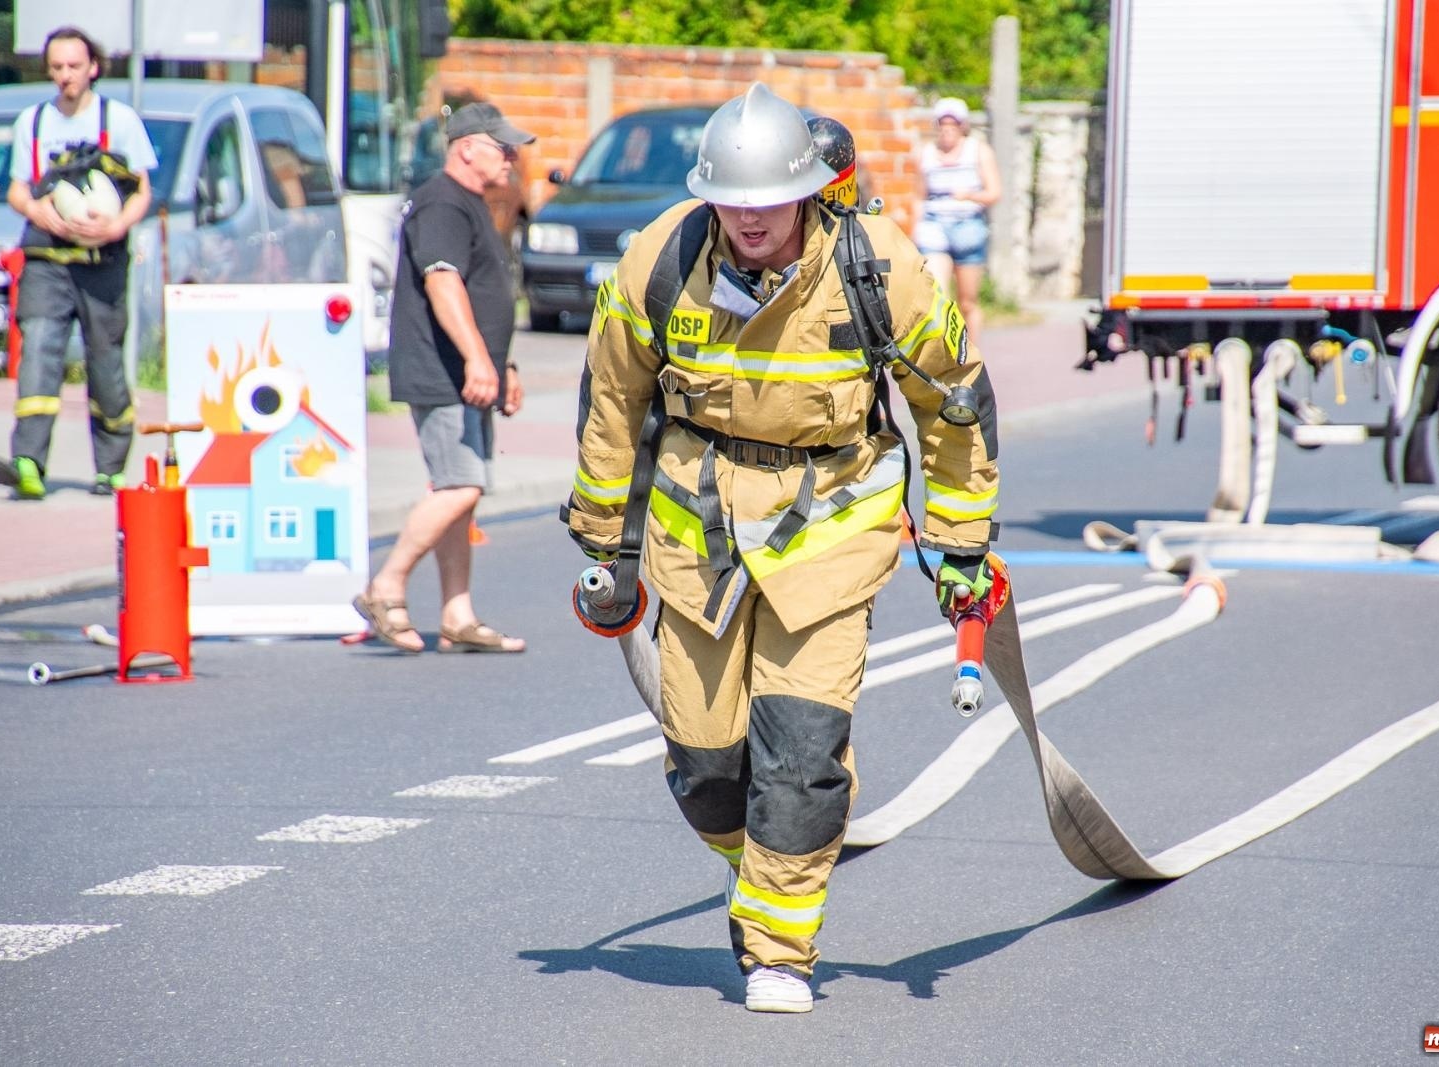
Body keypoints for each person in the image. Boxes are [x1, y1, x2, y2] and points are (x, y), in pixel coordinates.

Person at [565, 83, 1000, 1013]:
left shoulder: (880, 266)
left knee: (800, 753)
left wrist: (961, 544)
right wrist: (607, 543)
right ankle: (752, 864)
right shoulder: (664, 257)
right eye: (734, 202)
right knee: (707, 766)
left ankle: (779, 951)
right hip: (701, 533)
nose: (751, 221)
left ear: (809, 190)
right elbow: (612, 398)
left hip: (831, 530)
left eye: (770, 203)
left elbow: (954, 402)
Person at [351, 102, 534, 654]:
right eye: (502, 147)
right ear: (467, 147)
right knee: (460, 484)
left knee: (465, 493)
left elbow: (481, 294)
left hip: (470, 372)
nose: (512, 158)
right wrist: (479, 360)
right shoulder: (442, 203)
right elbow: (444, 283)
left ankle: (457, 613)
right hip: (444, 371)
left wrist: (501, 363)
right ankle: (385, 586)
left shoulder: (471, 204)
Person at [0, 26, 157, 500]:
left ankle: (111, 468)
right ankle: (28, 463)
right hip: (46, 258)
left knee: (105, 362)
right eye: (57, 67)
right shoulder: (33, 122)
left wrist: (116, 226)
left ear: (93, 68)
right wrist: (35, 209)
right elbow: (19, 188)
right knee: (39, 348)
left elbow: (143, 191)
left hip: (102, 258)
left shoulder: (118, 119)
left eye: (74, 67)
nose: (66, 76)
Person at [913, 96, 1001, 343]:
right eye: (943, 124)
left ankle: (972, 356)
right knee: (937, 294)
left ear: (963, 126)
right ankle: (946, 355)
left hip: (968, 226)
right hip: (934, 226)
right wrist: (915, 229)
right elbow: (918, 195)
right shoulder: (927, 153)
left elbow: (994, 192)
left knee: (967, 301)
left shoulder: (978, 151)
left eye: (953, 124)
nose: (948, 130)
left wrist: (970, 196)